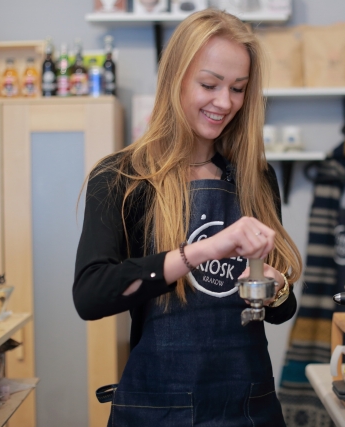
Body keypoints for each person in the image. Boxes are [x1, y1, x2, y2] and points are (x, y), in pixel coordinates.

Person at [73, 9, 302, 426]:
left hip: (248, 405)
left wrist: (276, 288)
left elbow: (281, 311)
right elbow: (90, 296)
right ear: (175, 78)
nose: (225, 102)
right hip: (158, 408)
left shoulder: (254, 177)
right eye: (209, 84)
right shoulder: (123, 179)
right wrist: (204, 250)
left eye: (238, 88)